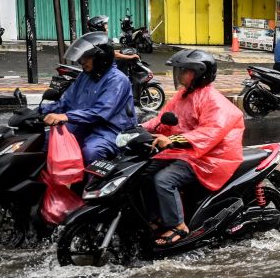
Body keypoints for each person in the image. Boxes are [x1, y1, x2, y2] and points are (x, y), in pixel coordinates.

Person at [142, 49, 244, 246]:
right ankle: (156, 218)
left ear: (200, 73)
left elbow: (210, 133)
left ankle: (178, 226)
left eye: (184, 70)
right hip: (186, 151)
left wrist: (173, 140)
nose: (179, 75)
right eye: (179, 70)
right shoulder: (182, 95)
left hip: (209, 156)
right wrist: (138, 129)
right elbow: (163, 120)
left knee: (163, 180)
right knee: (143, 172)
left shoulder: (213, 100)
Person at [41, 32, 136, 164]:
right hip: (83, 126)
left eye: (87, 57)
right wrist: (40, 111)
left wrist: (66, 117)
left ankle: (92, 184)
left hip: (110, 132)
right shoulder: (84, 76)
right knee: (46, 140)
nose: (82, 61)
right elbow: (65, 102)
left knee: (91, 151)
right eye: (82, 57)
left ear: (101, 58)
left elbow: (100, 113)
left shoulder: (117, 80)